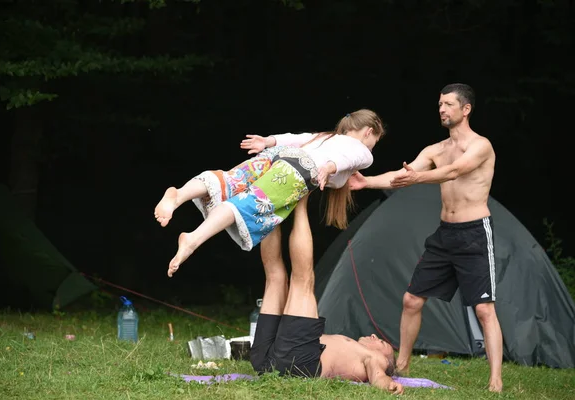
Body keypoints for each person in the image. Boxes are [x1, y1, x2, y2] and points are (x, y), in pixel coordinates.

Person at [348, 83, 503, 392]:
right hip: (446, 234)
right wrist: (366, 183)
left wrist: (418, 177)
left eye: (448, 104)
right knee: (411, 299)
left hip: (474, 233)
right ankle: (403, 365)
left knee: (484, 310)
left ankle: (496, 380)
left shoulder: (480, 146)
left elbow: (456, 171)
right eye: (439, 105)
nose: (442, 109)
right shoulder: (436, 150)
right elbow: (401, 175)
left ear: (465, 109)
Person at [153, 109, 386, 277]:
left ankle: (179, 195)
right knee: (246, 204)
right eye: (375, 140)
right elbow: (350, 158)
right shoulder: (363, 151)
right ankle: (193, 239)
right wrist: (330, 167)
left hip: (280, 154)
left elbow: (295, 139)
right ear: (369, 132)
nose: (372, 146)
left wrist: (267, 141)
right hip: (299, 170)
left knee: (229, 180)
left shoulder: (326, 137)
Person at [250, 194, 404, 395]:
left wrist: (388, 384)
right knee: (275, 278)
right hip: (268, 361)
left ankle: (300, 199)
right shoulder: (352, 348)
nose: (375, 336)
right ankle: (271, 204)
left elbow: (378, 375)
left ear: (386, 359)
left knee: (302, 280)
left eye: (382, 343)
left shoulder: (375, 359)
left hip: (297, 363)